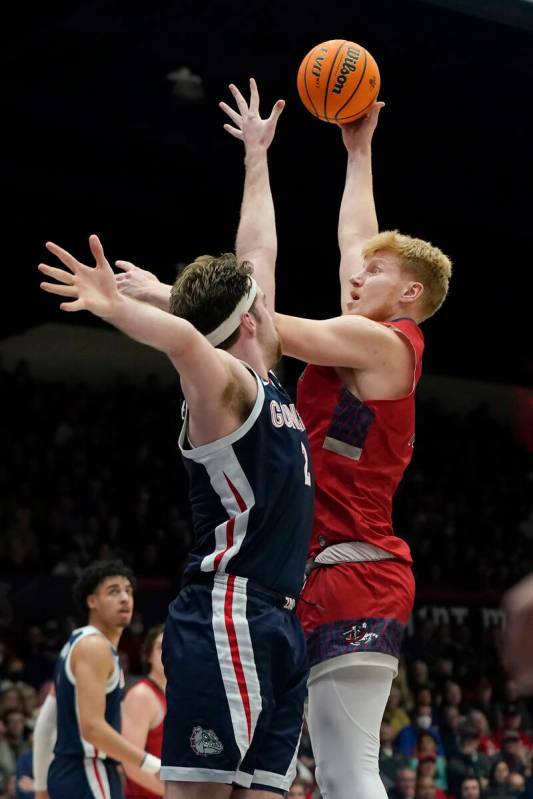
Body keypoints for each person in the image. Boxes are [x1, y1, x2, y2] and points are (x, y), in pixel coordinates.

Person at [114, 77, 452, 799]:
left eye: (376, 275)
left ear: (410, 294)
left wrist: (166, 301)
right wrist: (357, 153)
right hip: (311, 572)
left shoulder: (388, 344)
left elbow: (257, 320)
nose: (357, 276)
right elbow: (354, 242)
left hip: (351, 563)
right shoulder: (366, 335)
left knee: (344, 766)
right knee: (301, 773)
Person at [38, 237, 314, 798]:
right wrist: (118, 306)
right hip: (230, 610)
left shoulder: (270, 382)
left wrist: (257, 157)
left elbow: (259, 247)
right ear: (253, 319)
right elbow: (188, 340)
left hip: (281, 618)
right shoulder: (224, 383)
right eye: (264, 298)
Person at [32, 559, 163, 799]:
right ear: (92, 601)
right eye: (113, 592)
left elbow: (47, 721)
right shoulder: (95, 648)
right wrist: (153, 764)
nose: (125, 598)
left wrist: (41, 787)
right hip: (89, 773)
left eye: (128, 591)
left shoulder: (76, 642)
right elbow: (92, 728)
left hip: (70, 775)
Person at [123, 625, 166, 798]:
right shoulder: (142, 696)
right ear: (148, 655)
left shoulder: (181, 696)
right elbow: (130, 764)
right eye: (161, 647)